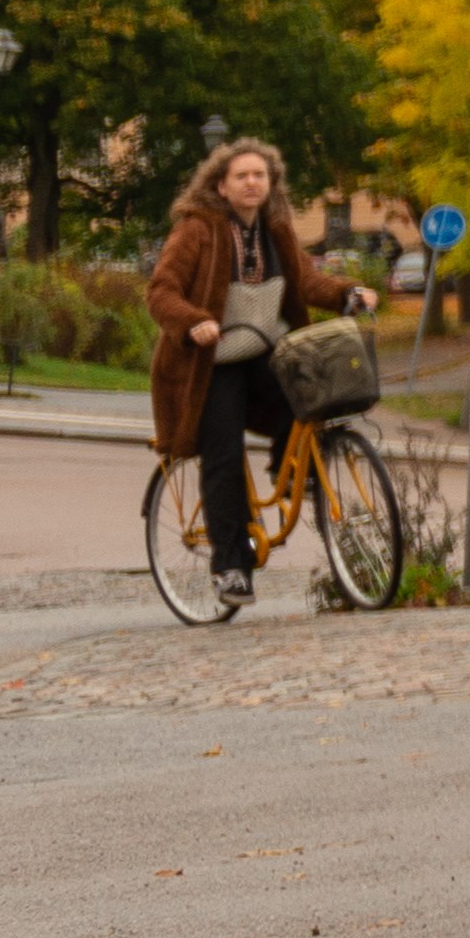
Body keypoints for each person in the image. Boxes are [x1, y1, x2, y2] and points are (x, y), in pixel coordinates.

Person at [145, 140, 341, 617]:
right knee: (224, 457)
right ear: (220, 186)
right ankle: (230, 567)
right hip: (211, 361)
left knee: (313, 392)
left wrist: (350, 293)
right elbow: (160, 291)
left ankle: (287, 469)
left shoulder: (276, 229)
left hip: (262, 352)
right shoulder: (197, 230)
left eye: (260, 176)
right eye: (242, 176)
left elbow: (308, 283)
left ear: (271, 184)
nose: (253, 183)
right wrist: (192, 321)